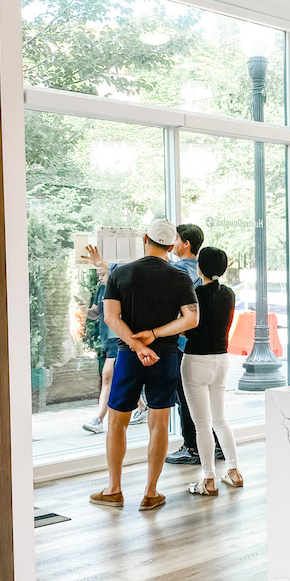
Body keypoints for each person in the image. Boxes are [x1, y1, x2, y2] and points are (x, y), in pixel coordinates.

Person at [89, 218, 198, 512]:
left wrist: (137, 345)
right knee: (159, 422)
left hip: (128, 356)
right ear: (170, 245)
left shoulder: (122, 273)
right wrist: (155, 335)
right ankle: (151, 492)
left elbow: (112, 317)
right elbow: (191, 319)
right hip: (166, 355)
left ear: (145, 240)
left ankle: (114, 489)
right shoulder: (180, 277)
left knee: (117, 422)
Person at [180, 246, 243, 496]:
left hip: (196, 361)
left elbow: (186, 328)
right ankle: (234, 471)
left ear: (200, 267)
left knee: (202, 425)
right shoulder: (229, 293)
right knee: (220, 420)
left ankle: (208, 480)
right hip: (222, 360)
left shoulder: (194, 294)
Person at [165, 223, 224, 466]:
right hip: (214, 352)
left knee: (187, 399)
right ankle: (213, 445)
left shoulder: (178, 271)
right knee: (207, 404)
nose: (173, 244)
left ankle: (193, 447)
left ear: (186, 243)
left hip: (185, 347)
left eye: (176, 239)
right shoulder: (222, 290)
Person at [81, 245, 146, 433]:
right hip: (108, 339)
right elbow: (95, 313)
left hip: (121, 338)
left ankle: (99, 419)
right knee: (120, 375)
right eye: (99, 275)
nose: (100, 278)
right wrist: (83, 309)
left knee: (108, 375)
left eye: (103, 274)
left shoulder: (123, 288)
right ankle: (142, 407)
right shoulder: (102, 290)